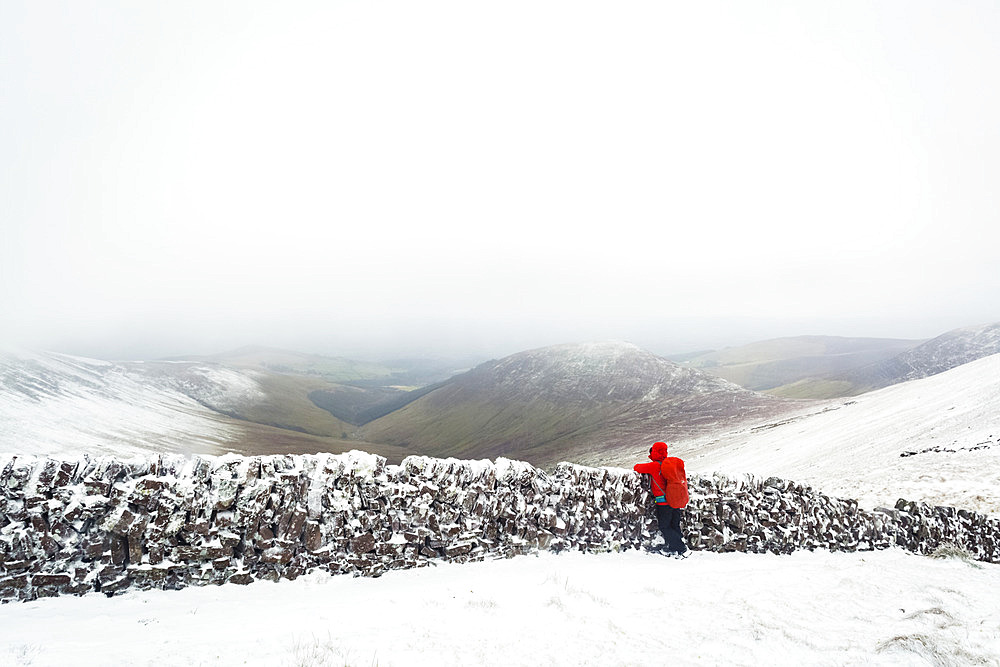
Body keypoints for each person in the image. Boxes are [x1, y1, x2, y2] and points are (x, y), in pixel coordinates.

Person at [633, 441, 689, 557]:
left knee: (664, 526)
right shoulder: (669, 465)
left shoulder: (655, 466)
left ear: (654, 452)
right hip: (675, 499)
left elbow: (637, 467)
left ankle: (681, 548)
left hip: (663, 502)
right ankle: (677, 548)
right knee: (675, 525)